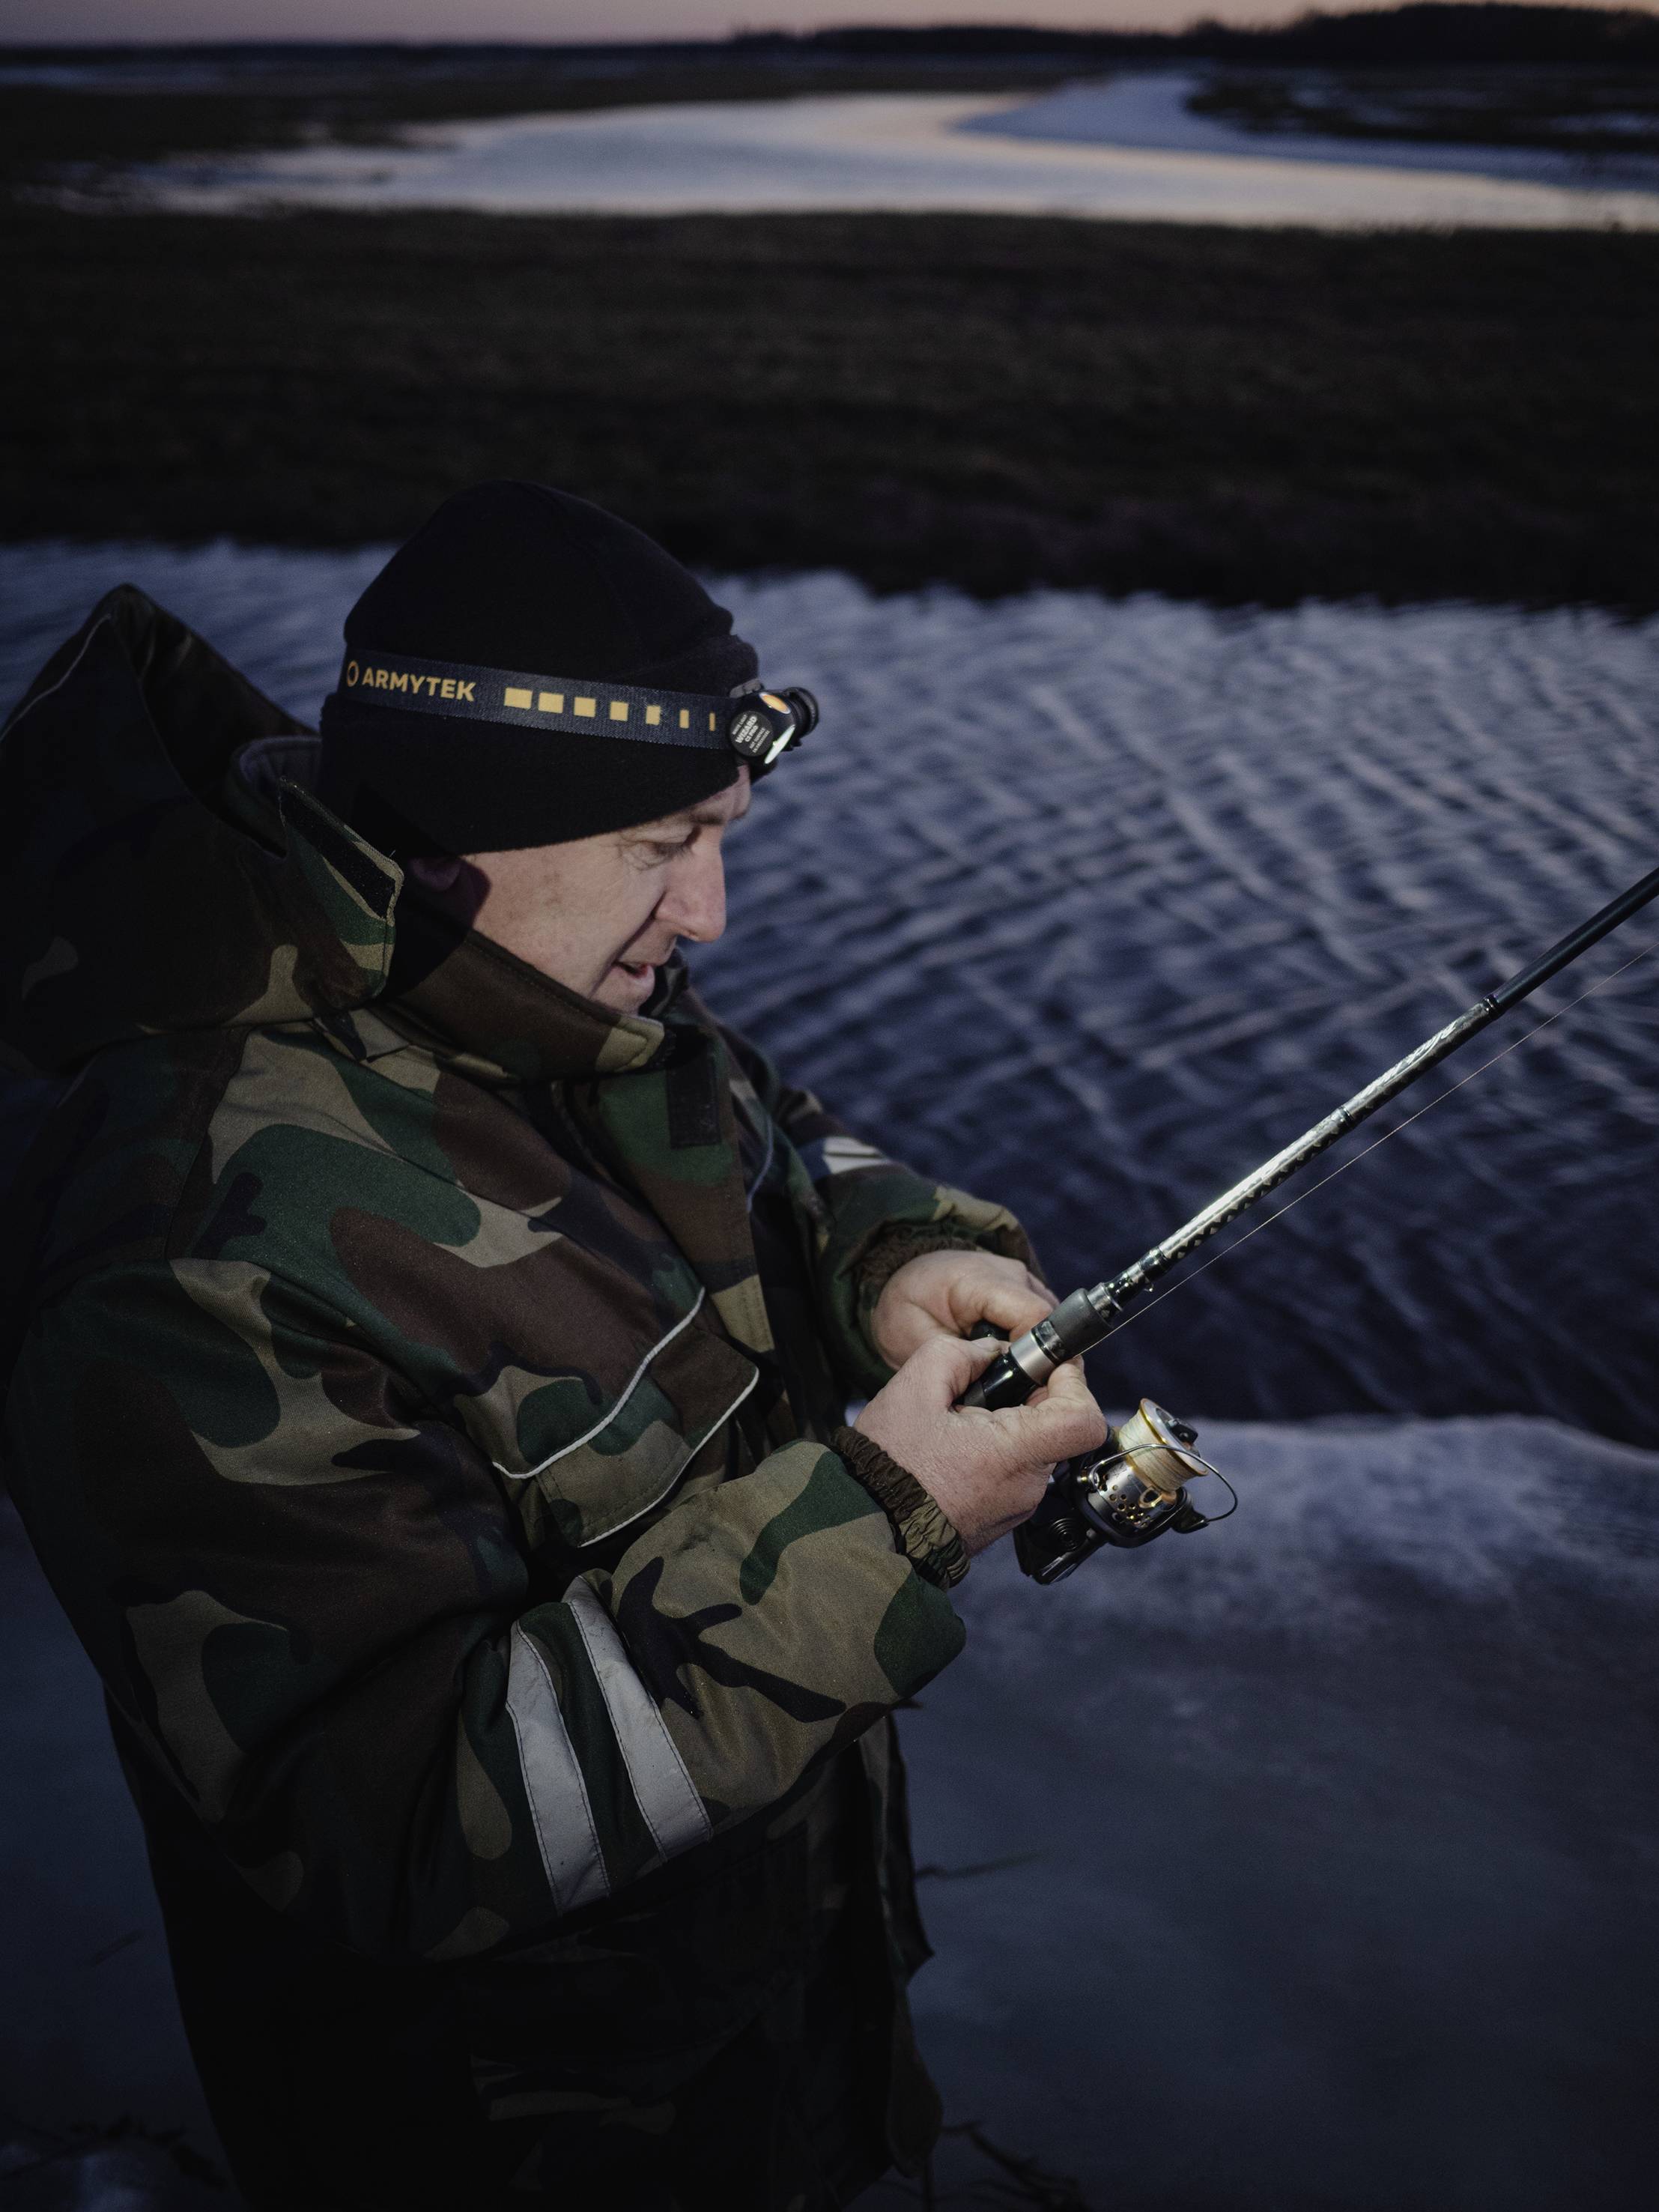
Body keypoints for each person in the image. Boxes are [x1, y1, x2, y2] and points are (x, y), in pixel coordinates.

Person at [0, 483, 1108, 2211]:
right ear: (469, 820)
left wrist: (897, 1251)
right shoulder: (184, 1241)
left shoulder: (549, 983)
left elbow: (763, 1136)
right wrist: (882, 1518)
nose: (712, 911)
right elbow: (384, 1819)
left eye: (724, 831)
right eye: (665, 845)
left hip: (758, 2064)